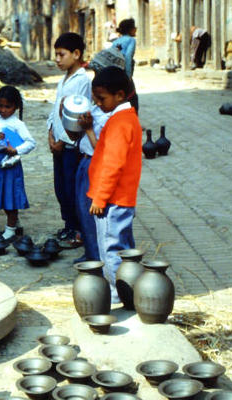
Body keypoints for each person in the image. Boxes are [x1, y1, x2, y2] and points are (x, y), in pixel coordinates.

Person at [87, 66, 142, 303]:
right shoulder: (126, 118)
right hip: (121, 199)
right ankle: (132, 286)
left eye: (101, 98)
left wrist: (100, 198)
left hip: (112, 200)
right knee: (125, 249)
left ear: (119, 95)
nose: (97, 103)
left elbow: (112, 165)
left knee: (111, 249)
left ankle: (116, 291)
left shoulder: (120, 123)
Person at [47, 32, 91, 247]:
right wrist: (50, 134)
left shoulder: (82, 81)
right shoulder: (63, 80)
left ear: (76, 54)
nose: (57, 59)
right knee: (60, 188)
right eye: (55, 54)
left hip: (71, 145)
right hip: (58, 143)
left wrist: (62, 142)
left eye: (61, 54)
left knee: (72, 189)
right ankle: (68, 225)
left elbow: (76, 118)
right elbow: (55, 110)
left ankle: (79, 230)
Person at [0, 86, 36, 241]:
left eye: (7, 107)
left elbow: (31, 143)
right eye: (0, 106)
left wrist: (16, 150)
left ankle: (10, 228)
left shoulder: (17, 124)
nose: (2, 110)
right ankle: (14, 222)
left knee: (10, 194)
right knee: (0, 193)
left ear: (15, 107)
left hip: (11, 163)